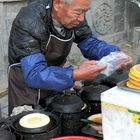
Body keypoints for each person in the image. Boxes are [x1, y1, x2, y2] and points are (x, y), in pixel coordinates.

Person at [8, 0, 132, 114]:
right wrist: (75, 74)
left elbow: (89, 42)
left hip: (57, 80)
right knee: (31, 129)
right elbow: (34, 73)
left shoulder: (75, 17)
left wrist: (115, 54)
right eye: (78, 12)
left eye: (85, 12)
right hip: (26, 88)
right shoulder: (28, 20)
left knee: (58, 119)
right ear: (57, 4)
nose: (82, 18)